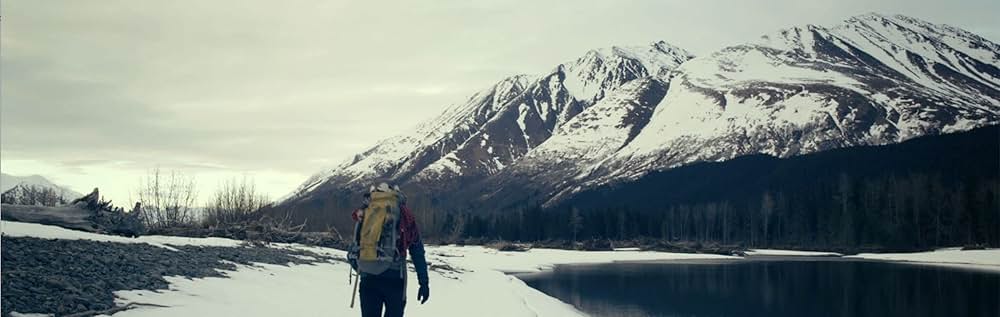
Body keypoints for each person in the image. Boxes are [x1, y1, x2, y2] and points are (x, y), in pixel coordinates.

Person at [348, 183, 429, 317]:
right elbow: (417, 250)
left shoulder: (366, 210)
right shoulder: (404, 214)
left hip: (368, 278)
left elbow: (355, 245)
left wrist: (363, 268)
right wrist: (424, 283)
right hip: (395, 278)